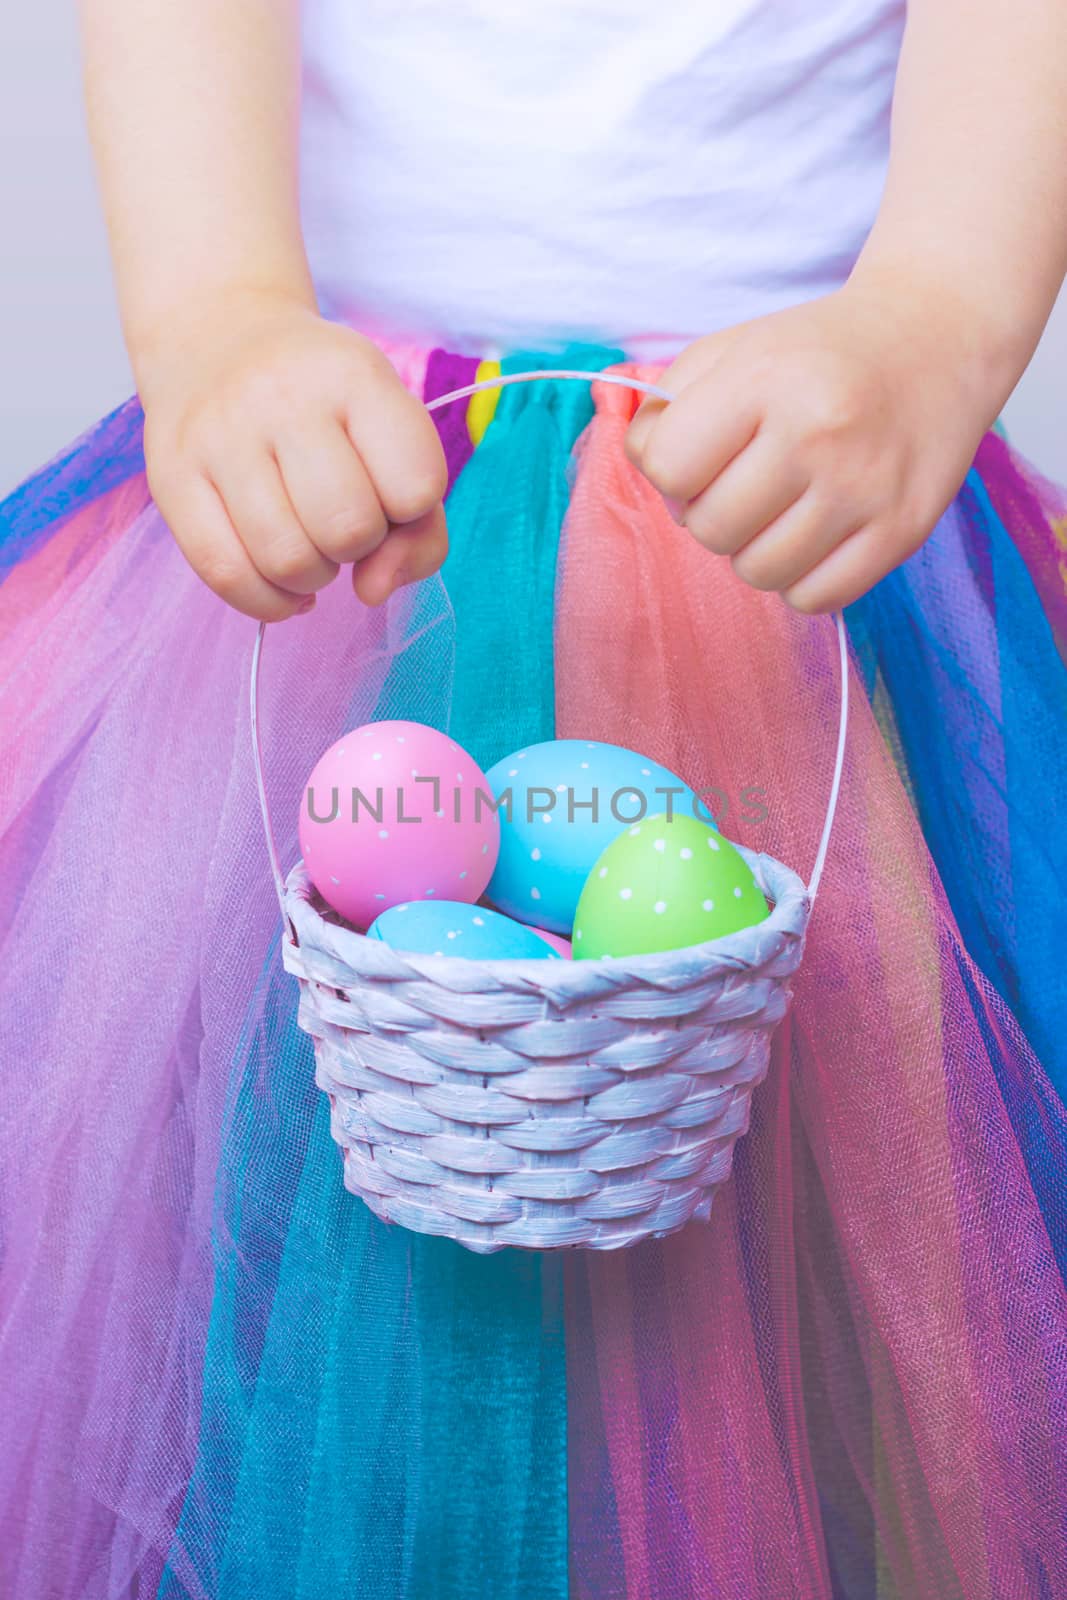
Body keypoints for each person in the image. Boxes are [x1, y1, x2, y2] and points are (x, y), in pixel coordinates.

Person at [2, 2, 1066, 1596]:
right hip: (347, 466)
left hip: (810, 476)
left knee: (842, 1308)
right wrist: (214, 317)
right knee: (244, 1222)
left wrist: (938, 318)